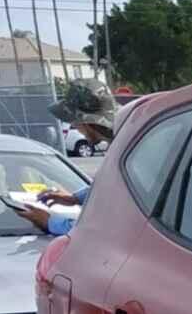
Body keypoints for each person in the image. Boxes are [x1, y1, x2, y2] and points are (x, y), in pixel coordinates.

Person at [16, 83, 117, 235]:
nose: (76, 128)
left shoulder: (128, 154)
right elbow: (110, 188)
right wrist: (75, 198)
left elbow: (107, 225)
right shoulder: (125, 142)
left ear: (84, 122)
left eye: (74, 123)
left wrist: (51, 222)